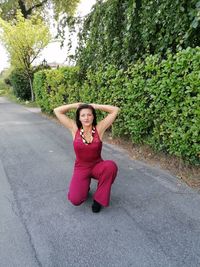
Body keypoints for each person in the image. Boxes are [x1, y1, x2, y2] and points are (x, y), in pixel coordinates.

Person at [54, 102, 120, 213]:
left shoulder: (99, 128)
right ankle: (84, 187)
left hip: (97, 166)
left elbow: (115, 110)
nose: (86, 118)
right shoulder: (74, 128)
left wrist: (96, 106)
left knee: (110, 166)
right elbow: (57, 110)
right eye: (83, 115)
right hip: (81, 168)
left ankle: (98, 199)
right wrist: (75, 105)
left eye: (89, 115)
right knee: (76, 200)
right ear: (79, 118)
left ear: (93, 116)